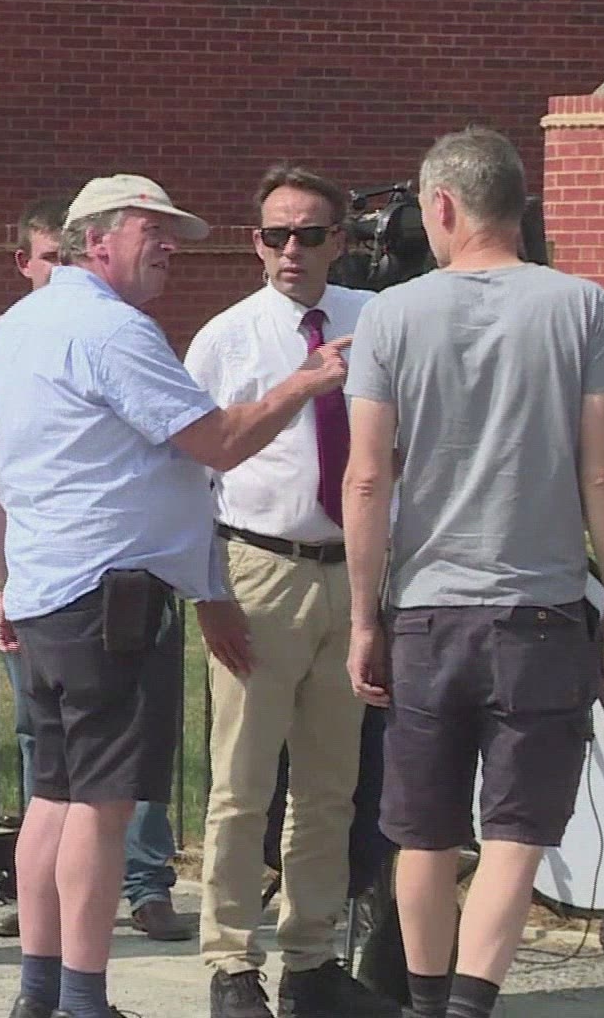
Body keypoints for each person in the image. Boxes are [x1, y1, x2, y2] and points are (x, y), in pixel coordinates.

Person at [0, 174, 350, 1018]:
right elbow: (217, 441)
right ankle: (83, 1001)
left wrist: (6, 579)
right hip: (111, 603)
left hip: (46, 593)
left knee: (52, 799)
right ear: (97, 240)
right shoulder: (115, 331)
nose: (171, 243)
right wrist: (303, 384)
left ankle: (39, 994)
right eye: (153, 229)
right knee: (100, 811)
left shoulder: (17, 326)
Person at [341, 126, 604, 1018]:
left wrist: (364, 616)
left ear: (441, 205)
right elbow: (603, 470)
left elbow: (367, 477)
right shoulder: (582, 305)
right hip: (540, 610)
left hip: (428, 612)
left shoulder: (391, 315)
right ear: (520, 206)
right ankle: (472, 1007)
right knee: (515, 834)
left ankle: (424, 1002)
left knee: (423, 834)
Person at [0, 195, 189, 946]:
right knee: (93, 791)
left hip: (41, 581)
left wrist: (9, 577)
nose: (61, 272)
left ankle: (77, 940)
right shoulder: (67, 332)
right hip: (93, 588)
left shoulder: (31, 334)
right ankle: (75, 980)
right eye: (51, 260)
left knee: (61, 783)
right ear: (27, 262)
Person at [181, 165, 394, 1018]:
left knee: (331, 784)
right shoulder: (227, 339)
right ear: (256, 242)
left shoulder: (376, 320)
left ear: (340, 241)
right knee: (241, 783)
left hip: (353, 572)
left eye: (309, 234)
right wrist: (208, 592)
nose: (292, 250)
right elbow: (189, 472)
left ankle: (310, 958)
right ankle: (232, 964)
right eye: (277, 234)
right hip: (258, 571)